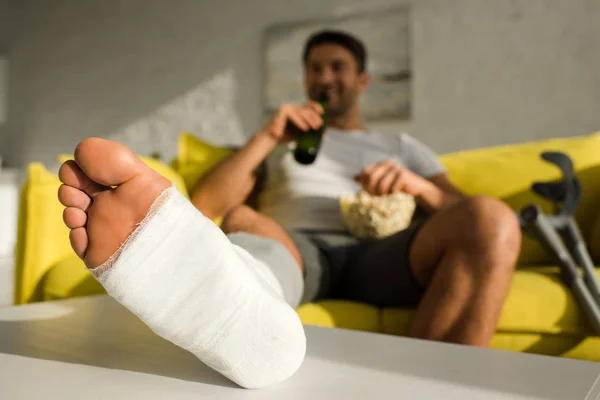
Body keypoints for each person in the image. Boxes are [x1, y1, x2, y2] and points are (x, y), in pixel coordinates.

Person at [192, 30, 522, 347]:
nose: (324, 77)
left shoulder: (400, 146)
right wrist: (267, 137)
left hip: (380, 254)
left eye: (337, 67)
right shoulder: (279, 143)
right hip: (296, 248)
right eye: (315, 69)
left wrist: (419, 187)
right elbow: (206, 205)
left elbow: (465, 210)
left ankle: (438, 384)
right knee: (241, 218)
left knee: (490, 219)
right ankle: (241, 342)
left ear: (362, 81)